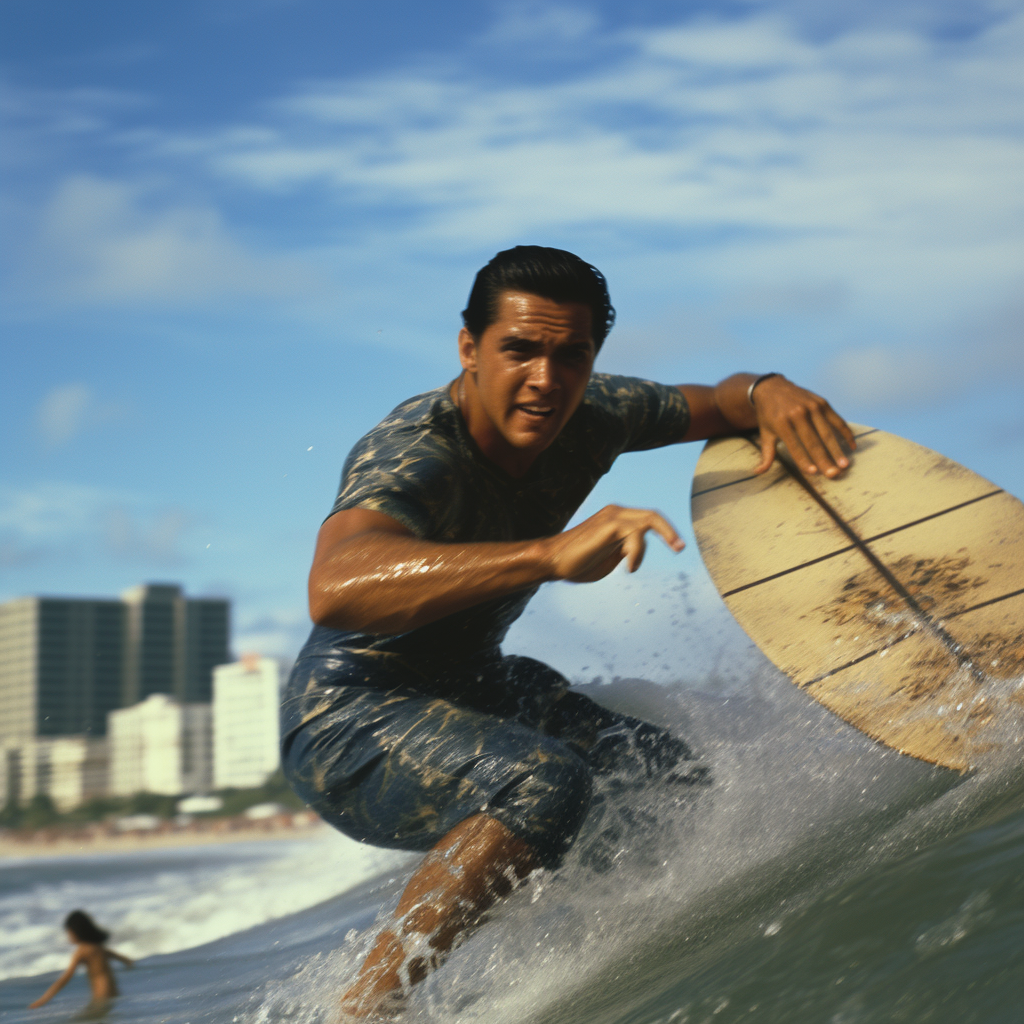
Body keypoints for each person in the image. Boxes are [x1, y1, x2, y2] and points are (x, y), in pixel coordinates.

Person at [281, 245, 854, 1016]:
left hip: (480, 687)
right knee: (544, 781)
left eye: (570, 355)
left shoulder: (597, 415)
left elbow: (718, 403)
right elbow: (336, 586)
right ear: (469, 349)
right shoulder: (418, 450)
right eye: (519, 350)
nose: (545, 381)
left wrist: (768, 389)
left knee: (666, 781)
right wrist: (547, 555)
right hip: (351, 718)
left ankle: (580, 959)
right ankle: (365, 1010)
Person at [28, 910, 133, 1013]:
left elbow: (65, 978)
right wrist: (129, 963)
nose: (68, 936)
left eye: (69, 932)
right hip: (113, 992)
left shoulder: (82, 951)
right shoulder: (98, 947)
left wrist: (43, 1000)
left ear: (76, 931)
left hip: (102, 996)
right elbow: (123, 959)